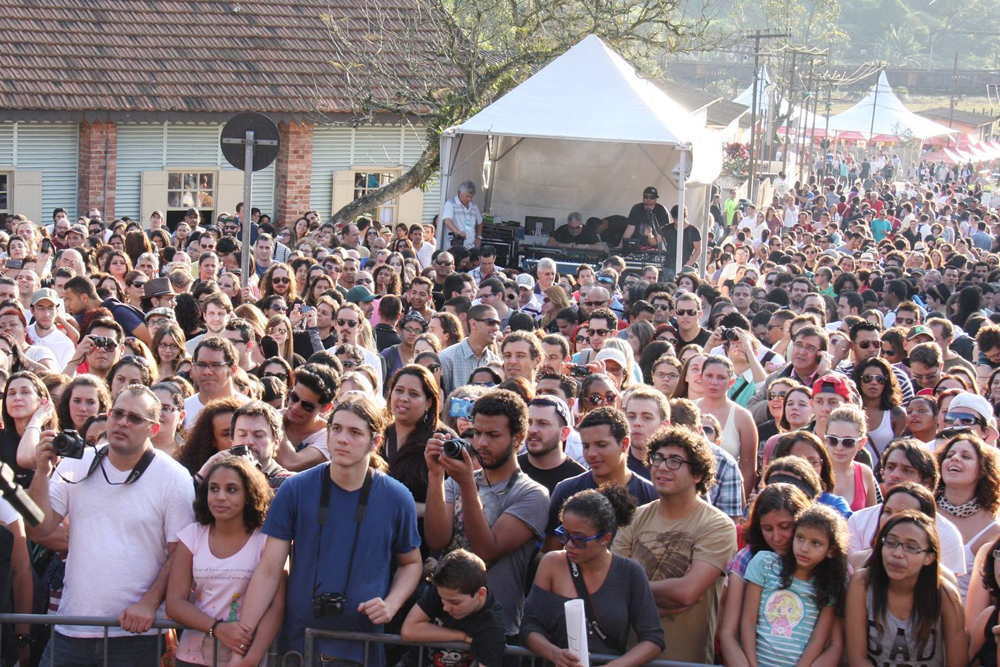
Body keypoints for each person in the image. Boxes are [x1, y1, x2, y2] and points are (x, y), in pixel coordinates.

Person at [236, 394, 423, 665]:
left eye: (355, 432)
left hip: (362, 645)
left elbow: (411, 563)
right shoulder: (295, 489)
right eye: (336, 429)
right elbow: (269, 570)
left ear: (375, 442)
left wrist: (392, 603)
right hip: (299, 645)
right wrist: (242, 641)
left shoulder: (397, 497)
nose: (342, 439)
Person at [26, 384, 196, 665]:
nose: (123, 422)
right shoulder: (77, 462)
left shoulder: (174, 477)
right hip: (71, 628)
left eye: (135, 418)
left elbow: (181, 554)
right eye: (118, 413)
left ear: (153, 429)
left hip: (136, 634)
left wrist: (149, 604)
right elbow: (39, 528)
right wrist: (42, 472)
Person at [424, 389, 549, 643]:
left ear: (518, 437)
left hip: (496, 629)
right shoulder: (456, 481)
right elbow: (436, 540)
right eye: (477, 432)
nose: (481, 443)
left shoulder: (532, 494)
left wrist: (467, 485)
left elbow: (487, 550)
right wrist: (436, 476)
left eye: (493, 435)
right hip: (443, 620)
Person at [611, 425, 737, 663]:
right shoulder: (634, 517)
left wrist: (635, 594)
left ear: (697, 474)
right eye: (658, 458)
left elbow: (686, 593)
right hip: (628, 656)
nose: (662, 467)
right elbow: (612, 586)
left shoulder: (717, 525)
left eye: (675, 461)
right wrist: (662, 596)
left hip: (686, 660)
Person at [522, 486, 664, 663]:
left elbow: (653, 638)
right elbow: (529, 625)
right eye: (564, 534)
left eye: (579, 539)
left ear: (605, 539)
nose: (569, 544)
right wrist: (555, 654)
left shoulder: (631, 573)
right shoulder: (552, 563)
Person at [166, 456, 284, 667]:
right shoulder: (192, 535)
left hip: (245, 659)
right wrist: (217, 628)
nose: (220, 497)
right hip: (192, 657)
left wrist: (252, 658)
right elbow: (175, 602)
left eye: (231, 489)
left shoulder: (267, 540)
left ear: (249, 494)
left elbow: (276, 606)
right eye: (213, 489)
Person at [845, 512, 967, 667]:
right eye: (891, 542)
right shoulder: (862, 583)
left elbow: (958, 662)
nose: (897, 554)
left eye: (911, 547)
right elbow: (856, 658)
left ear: (929, 557)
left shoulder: (945, 595)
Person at [740, 505, 848, 667]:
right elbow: (748, 620)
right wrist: (752, 665)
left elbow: (818, 639)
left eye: (815, 543)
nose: (804, 548)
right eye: (800, 538)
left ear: (830, 551)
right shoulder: (765, 563)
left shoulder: (829, 585)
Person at [719, 484, 813, 667]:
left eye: (785, 527)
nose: (777, 537)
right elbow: (728, 634)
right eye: (768, 529)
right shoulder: (748, 558)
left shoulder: (820, 563)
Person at [847, 439, 967, 579]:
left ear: (927, 482)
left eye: (907, 470)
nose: (895, 475)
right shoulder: (859, 520)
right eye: (891, 467)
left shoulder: (947, 533)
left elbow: (943, 585)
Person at [543, 407, 657, 551]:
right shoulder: (566, 490)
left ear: (624, 444)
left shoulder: (651, 495)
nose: (591, 454)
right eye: (586, 446)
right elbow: (549, 552)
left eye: (601, 445)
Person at [401, 549, 507, 667]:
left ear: (480, 594)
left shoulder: (492, 625)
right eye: (442, 599)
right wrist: (461, 636)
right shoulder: (444, 589)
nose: (446, 607)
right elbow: (408, 630)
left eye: (455, 602)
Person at [935, 433, 1000, 602]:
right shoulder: (923, 509)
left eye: (966, 456)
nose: (955, 458)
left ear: (982, 470)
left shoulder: (993, 530)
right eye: (950, 455)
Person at [696, 354, 758, 496]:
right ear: (700, 378)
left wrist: (740, 502)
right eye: (709, 376)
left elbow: (749, 469)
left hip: (727, 495)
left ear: (731, 382)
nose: (714, 382)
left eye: (721, 377)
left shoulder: (743, 417)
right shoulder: (689, 409)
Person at [518, 396, 585, 495]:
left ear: (564, 433)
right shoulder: (508, 471)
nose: (532, 430)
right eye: (529, 423)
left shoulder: (580, 482)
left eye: (543, 423)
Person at [439, 304, 503, 396]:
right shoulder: (447, 358)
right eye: (490, 322)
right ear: (473, 324)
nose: (496, 328)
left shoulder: (495, 361)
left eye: (498, 323)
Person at [184, 337, 249, 429]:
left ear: (233, 369)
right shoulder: (182, 410)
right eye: (201, 365)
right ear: (193, 368)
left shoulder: (249, 410)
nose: (207, 371)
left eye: (216, 365)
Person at [825, 406, 878, 512]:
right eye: (833, 440)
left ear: (862, 443)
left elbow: (872, 518)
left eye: (848, 442)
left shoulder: (865, 473)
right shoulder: (813, 471)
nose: (839, 447)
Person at [442, 181, 483, 249]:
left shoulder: (474, 206)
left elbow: (480, 222)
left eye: (471, 197)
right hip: (455, 246)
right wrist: (458, 232)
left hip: (471, 246)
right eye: (467, 196)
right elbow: (447, 221)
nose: (469, 199)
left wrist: (479, 237)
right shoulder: (450, 203)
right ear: (460, 193)